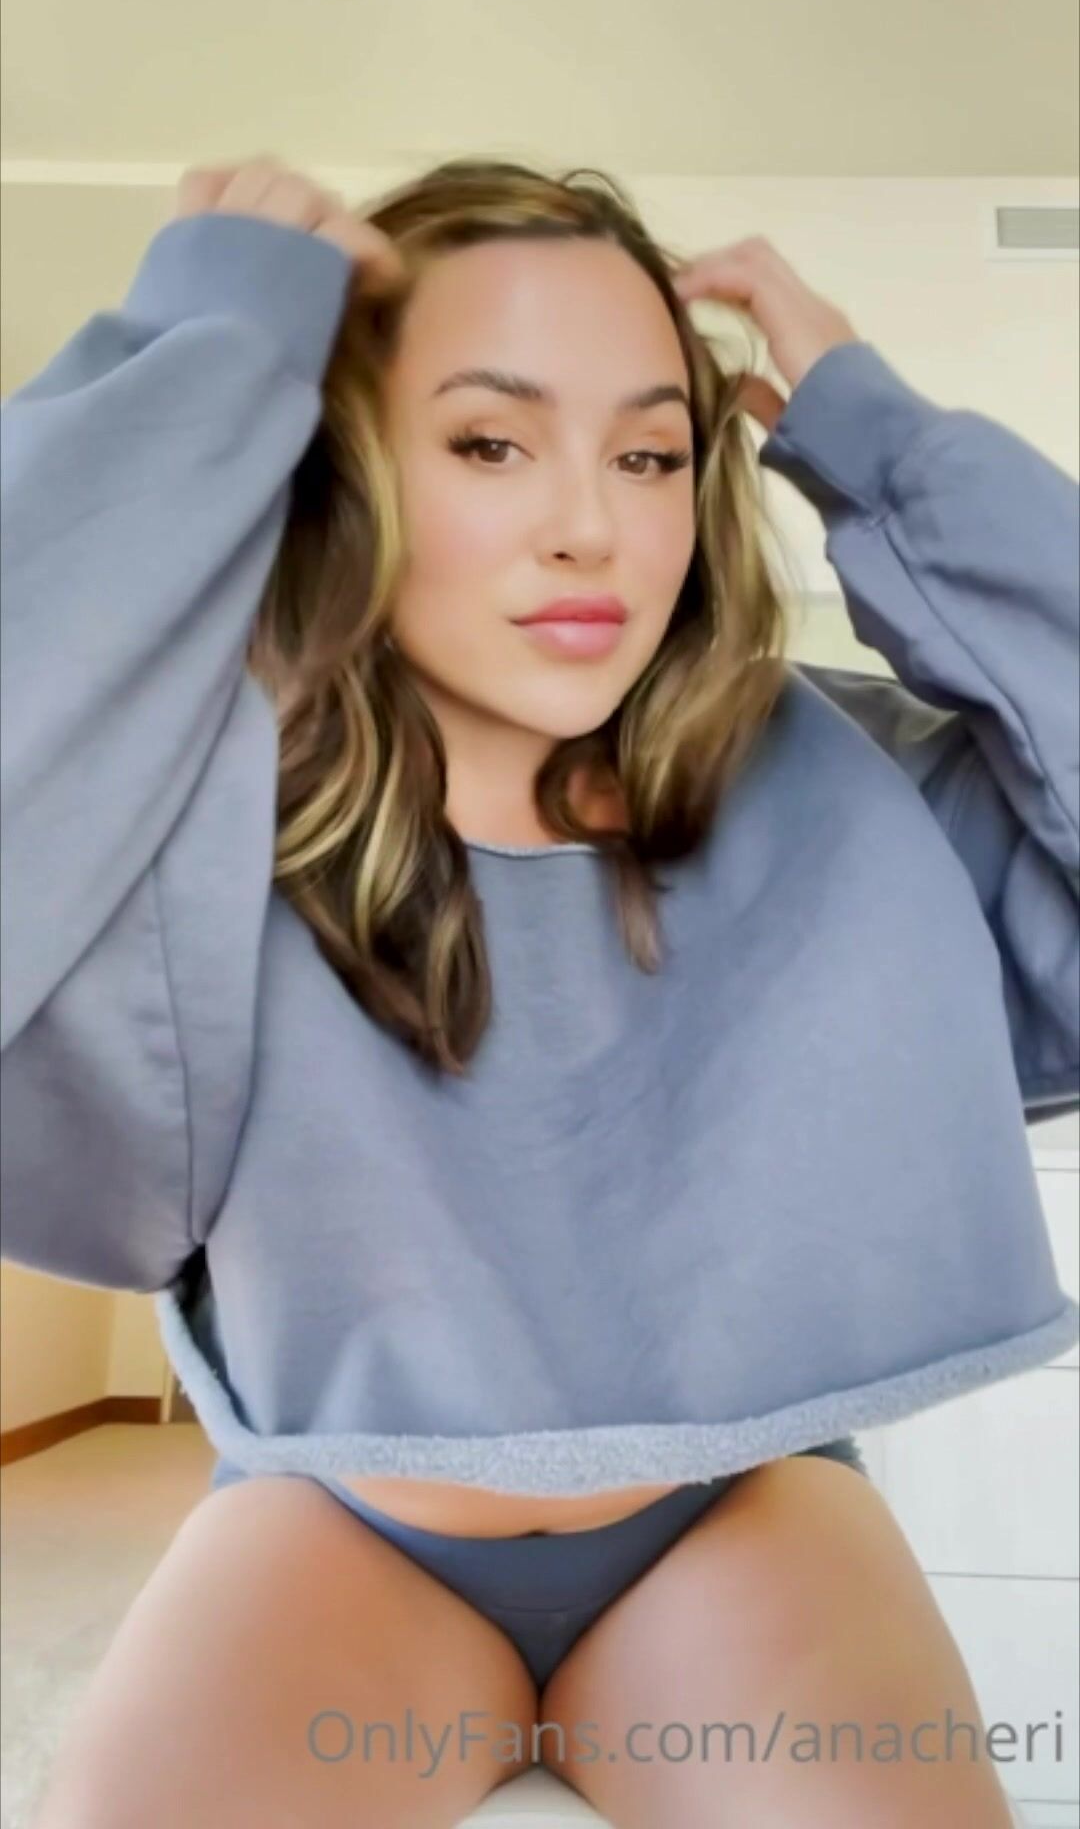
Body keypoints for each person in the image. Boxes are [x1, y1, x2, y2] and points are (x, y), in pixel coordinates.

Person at [3, 153, 1076, 1826]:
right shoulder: (199, 816)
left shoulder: (840, 786)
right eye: (490, 443)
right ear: (347, 467)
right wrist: (202, 352)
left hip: (735, 1516)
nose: (593, 526)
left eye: (650, 453)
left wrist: (895, 455)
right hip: (338, 1520)